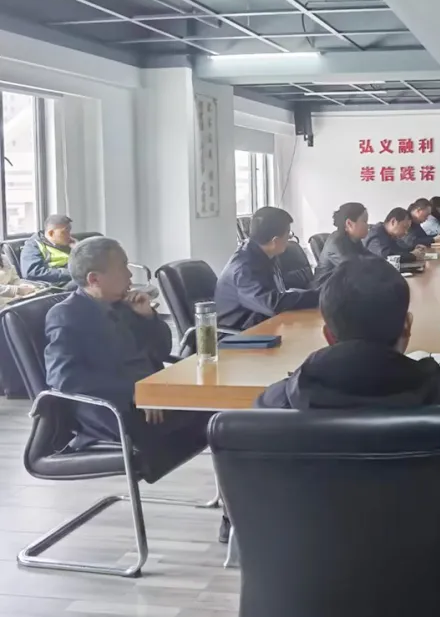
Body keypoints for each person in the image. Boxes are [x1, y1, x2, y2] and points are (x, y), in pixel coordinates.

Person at [256, 257, 440, 601]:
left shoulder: (276, 405)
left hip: (307, 590)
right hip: (429, 590)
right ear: (407, 326)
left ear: (328, 335)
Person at [44, 238, 217, 510]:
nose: (129, 274)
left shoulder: (124, 305)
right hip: (116, 413)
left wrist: (147, 317)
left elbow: (162, 349)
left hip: (153, 401)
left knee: (223, 410)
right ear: (94, 279)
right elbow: (63, 378)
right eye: (122, 267)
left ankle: (237, 504)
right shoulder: (66, 315)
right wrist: (135, 391)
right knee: (221, 418)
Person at [215, 206, 320, 330]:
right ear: (275, 241)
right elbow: (272, 304)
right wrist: (318, 296)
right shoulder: (244, 268)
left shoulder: (263, 255)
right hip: (239, 334)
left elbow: (277, 294)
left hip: (263, 324)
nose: (289, 238)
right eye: (288, 234)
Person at [313, 202, 376, 288]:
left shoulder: (354, 240)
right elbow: (355, 269)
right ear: (349, 224)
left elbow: (372, 259)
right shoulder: (336, 243)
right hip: (324, 291)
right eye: (364, 221)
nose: (368, 226)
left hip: (343, 287)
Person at [22, 214, 75, 285]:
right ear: (51, 233)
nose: (69, 235)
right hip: (57, 284)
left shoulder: (70, 242)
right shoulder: (33, 246)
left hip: (73, 278)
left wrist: (78, 249)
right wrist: (71, 273)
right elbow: (32, 272)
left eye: (69, 231)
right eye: (65, 232)